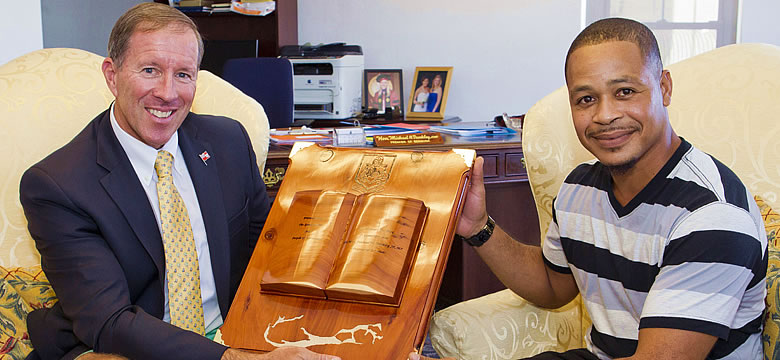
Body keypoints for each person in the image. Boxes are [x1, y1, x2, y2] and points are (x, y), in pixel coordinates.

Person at [411, 18, 766, 360]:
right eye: (586, 99)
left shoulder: (713, 215)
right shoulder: (580, 187)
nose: (605, 115)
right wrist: (478, 227)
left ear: (664, 88)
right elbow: (552, 285)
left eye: (625, 91)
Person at [19, 3, 338, 360]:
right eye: (151, 70)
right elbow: (109, 323)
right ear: (112, 75)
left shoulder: (228, 141)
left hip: (232, 333)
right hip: (123, 348)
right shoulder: (58, 184)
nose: (168, 93)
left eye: (184, 74)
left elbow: (267, 254)